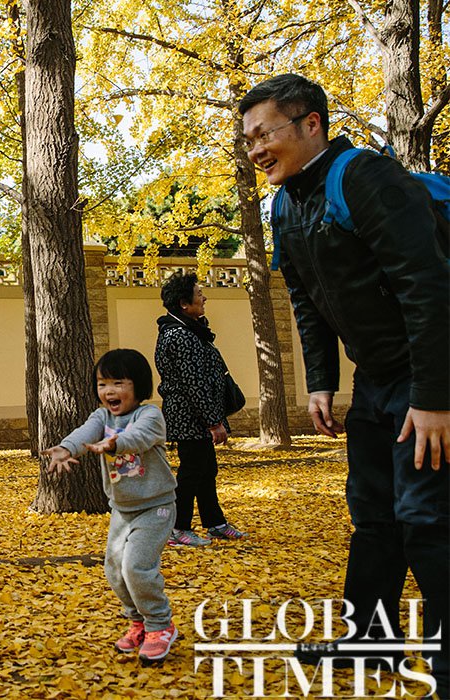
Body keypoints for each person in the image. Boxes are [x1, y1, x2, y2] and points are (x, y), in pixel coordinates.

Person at [240, 74, 448, 694]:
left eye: (264, 134)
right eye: (247, 140)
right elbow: (306, 299)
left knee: (427, 519)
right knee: (375, 516)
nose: (255, 150)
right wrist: (322, 382)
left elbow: (429, 288)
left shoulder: (366, 178)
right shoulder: (286, 204)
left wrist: (434, 398)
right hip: (376, 380)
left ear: (311, 124)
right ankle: (370, 645)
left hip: (428, 376)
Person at [43, 349, 179, 665]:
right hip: (122, 509)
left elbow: (139, 437)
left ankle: (160, 625)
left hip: (156, 507)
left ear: (138, 385)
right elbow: (84, 433)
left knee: (136, 566)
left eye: (118, 383)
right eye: (102, 384)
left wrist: (115, 443)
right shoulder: (102, 417)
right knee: (115, 570)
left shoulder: (150, 416)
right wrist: (66, 448)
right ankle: (138, 623)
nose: (109, 391)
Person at [154, 272, 246, 546]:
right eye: (199, 294)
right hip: (189, 417)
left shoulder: (191, 331)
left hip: (197, 416)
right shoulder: (180, 336)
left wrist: (214, 419)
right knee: (192, 473)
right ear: (184, 303)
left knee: (206, 471)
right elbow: (195, 383)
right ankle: (177, 528)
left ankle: (215, 523)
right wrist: (213, 422)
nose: (204, 298)